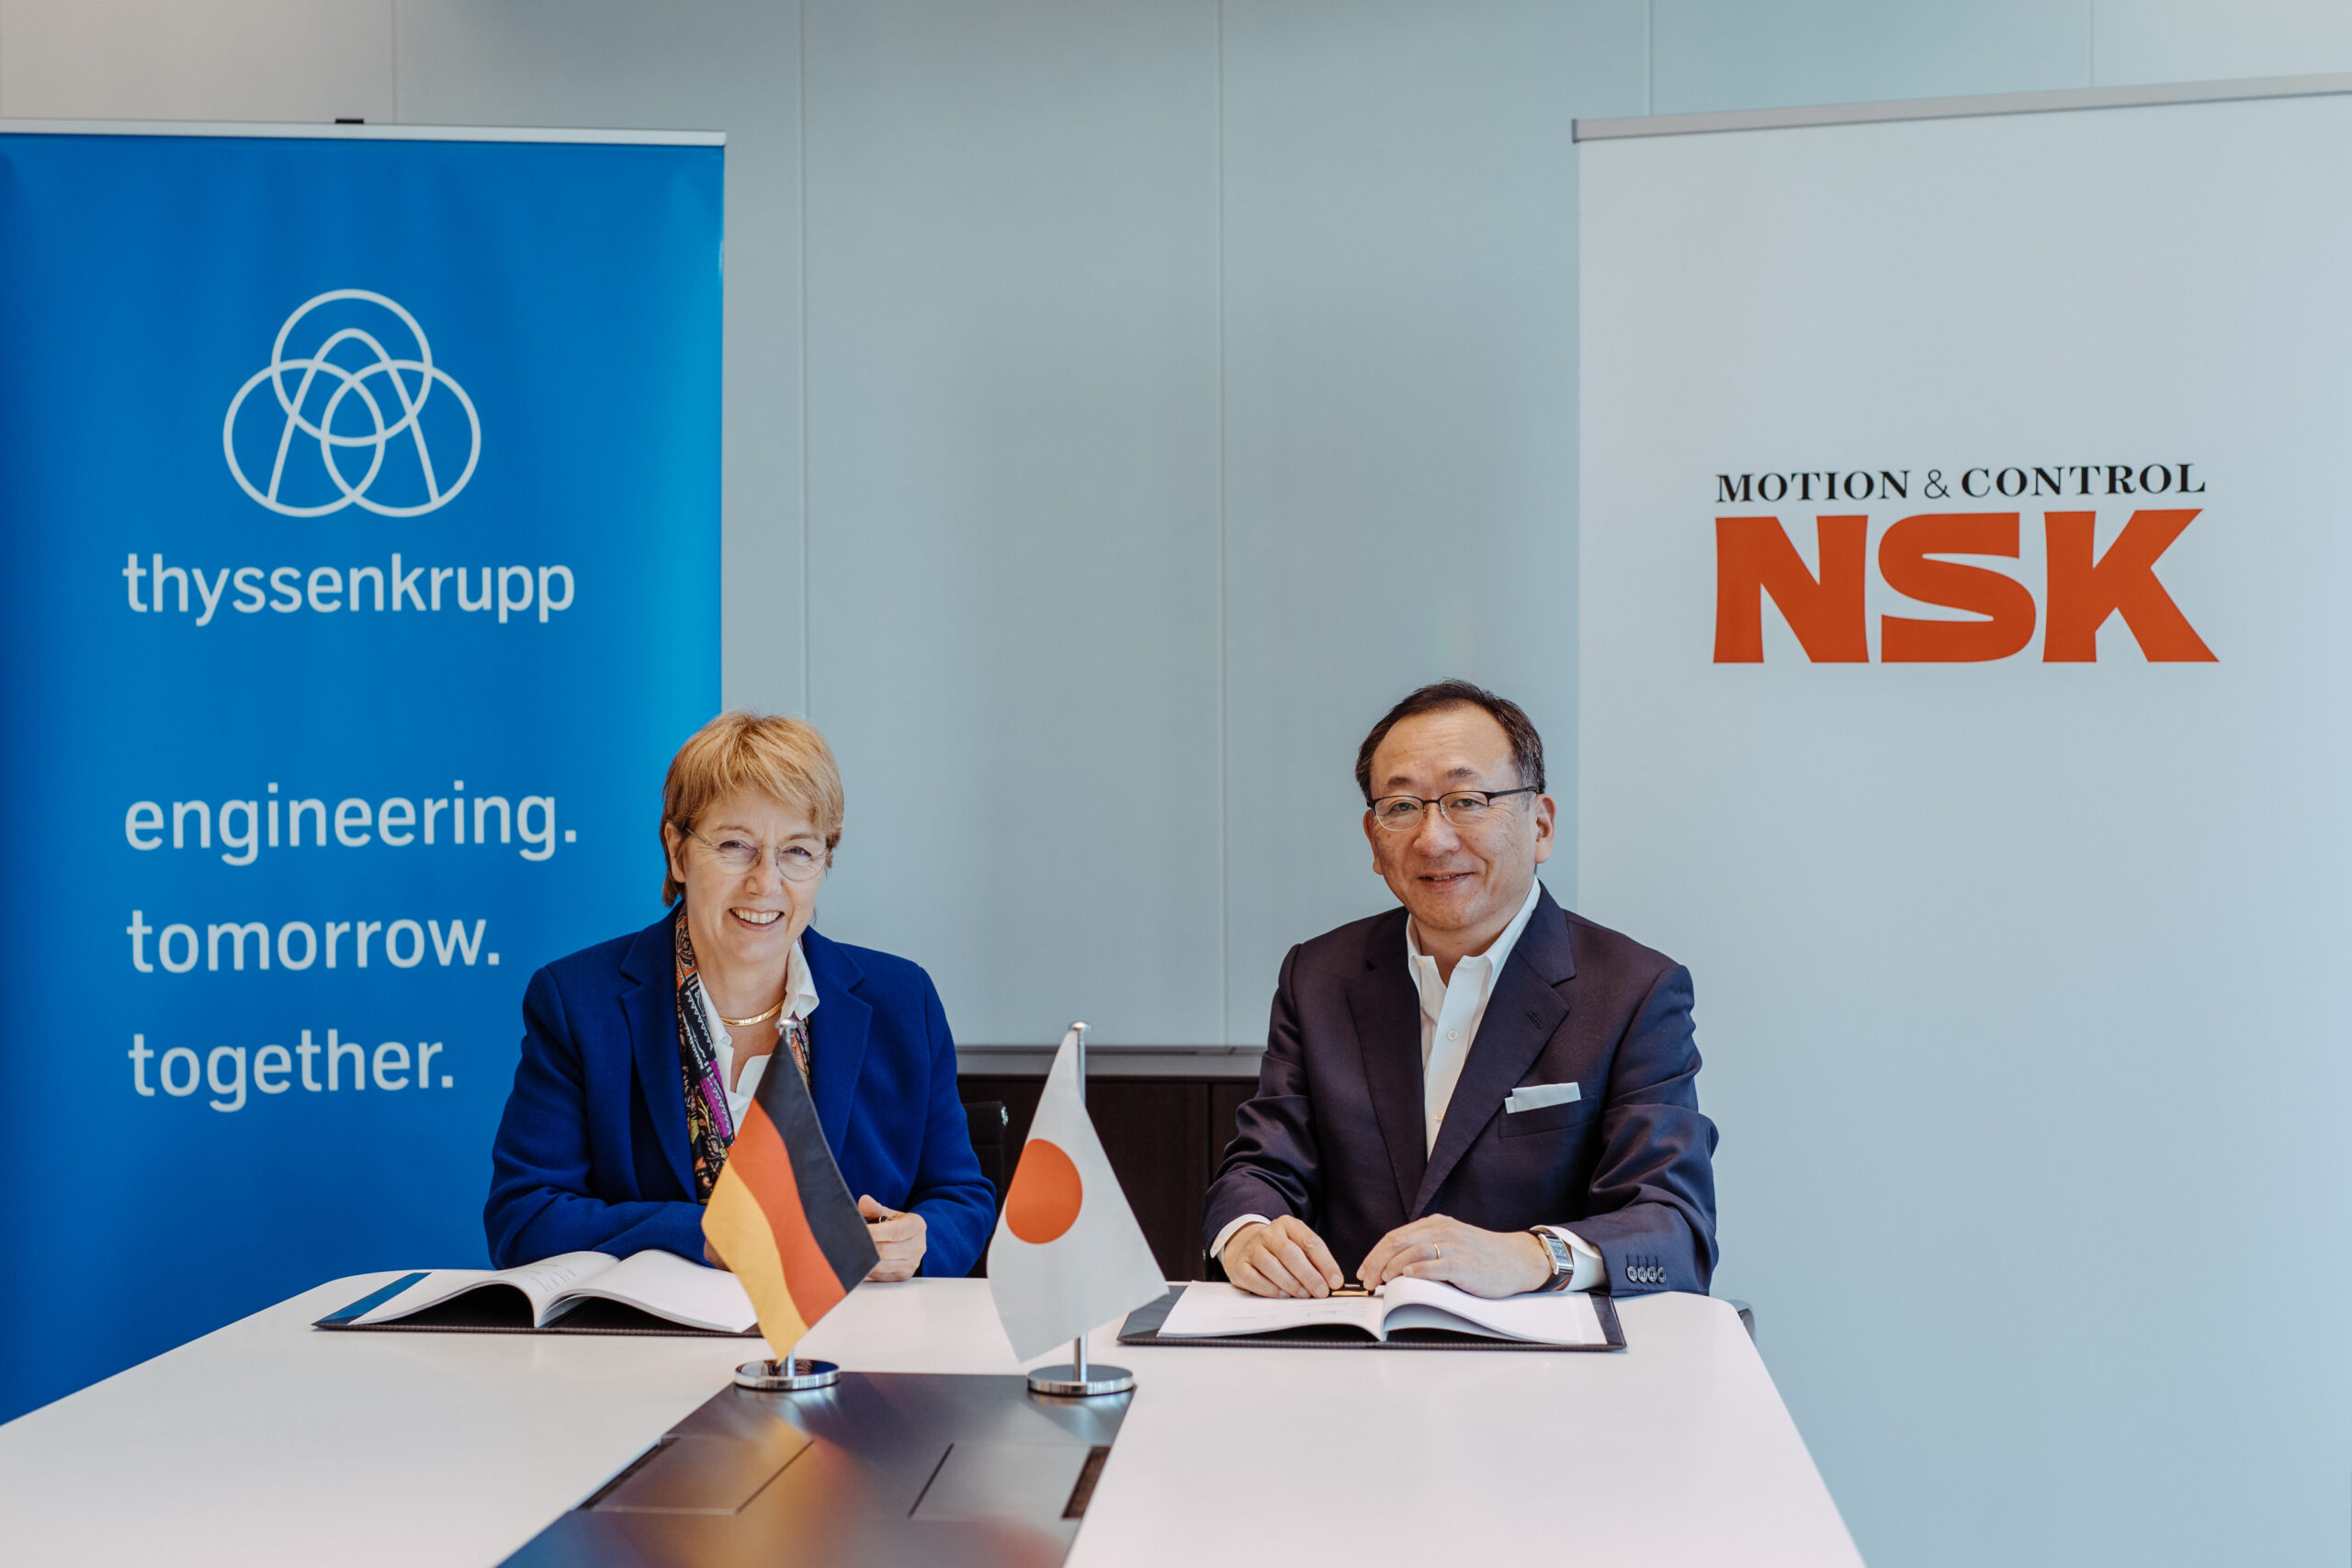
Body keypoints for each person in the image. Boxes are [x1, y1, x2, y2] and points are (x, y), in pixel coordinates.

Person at [1204, 680, 1717, 1300]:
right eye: (1402, 806)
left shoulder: (1635, 991)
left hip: (1544, 1352)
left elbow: (1673, 1227)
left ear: (1541, 825)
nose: (1433, 838)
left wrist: (1532, 1254)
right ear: (1374, 839)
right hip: (1354, 1342)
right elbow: (1262, 1166)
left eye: (1467, 800)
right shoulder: (1317, 977)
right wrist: (1247, 1231)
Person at [485, 712, 993, 1280]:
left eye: (798, 851)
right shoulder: (578, 1002)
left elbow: (959, 1198)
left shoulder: (903, 1000)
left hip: (851, 1326)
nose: (765, 883)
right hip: (656, 1333)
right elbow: (524, 1220)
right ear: (677, 852)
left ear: (824, 861)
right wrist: (706, 1236)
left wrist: (917, 1241)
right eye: (735, 845)